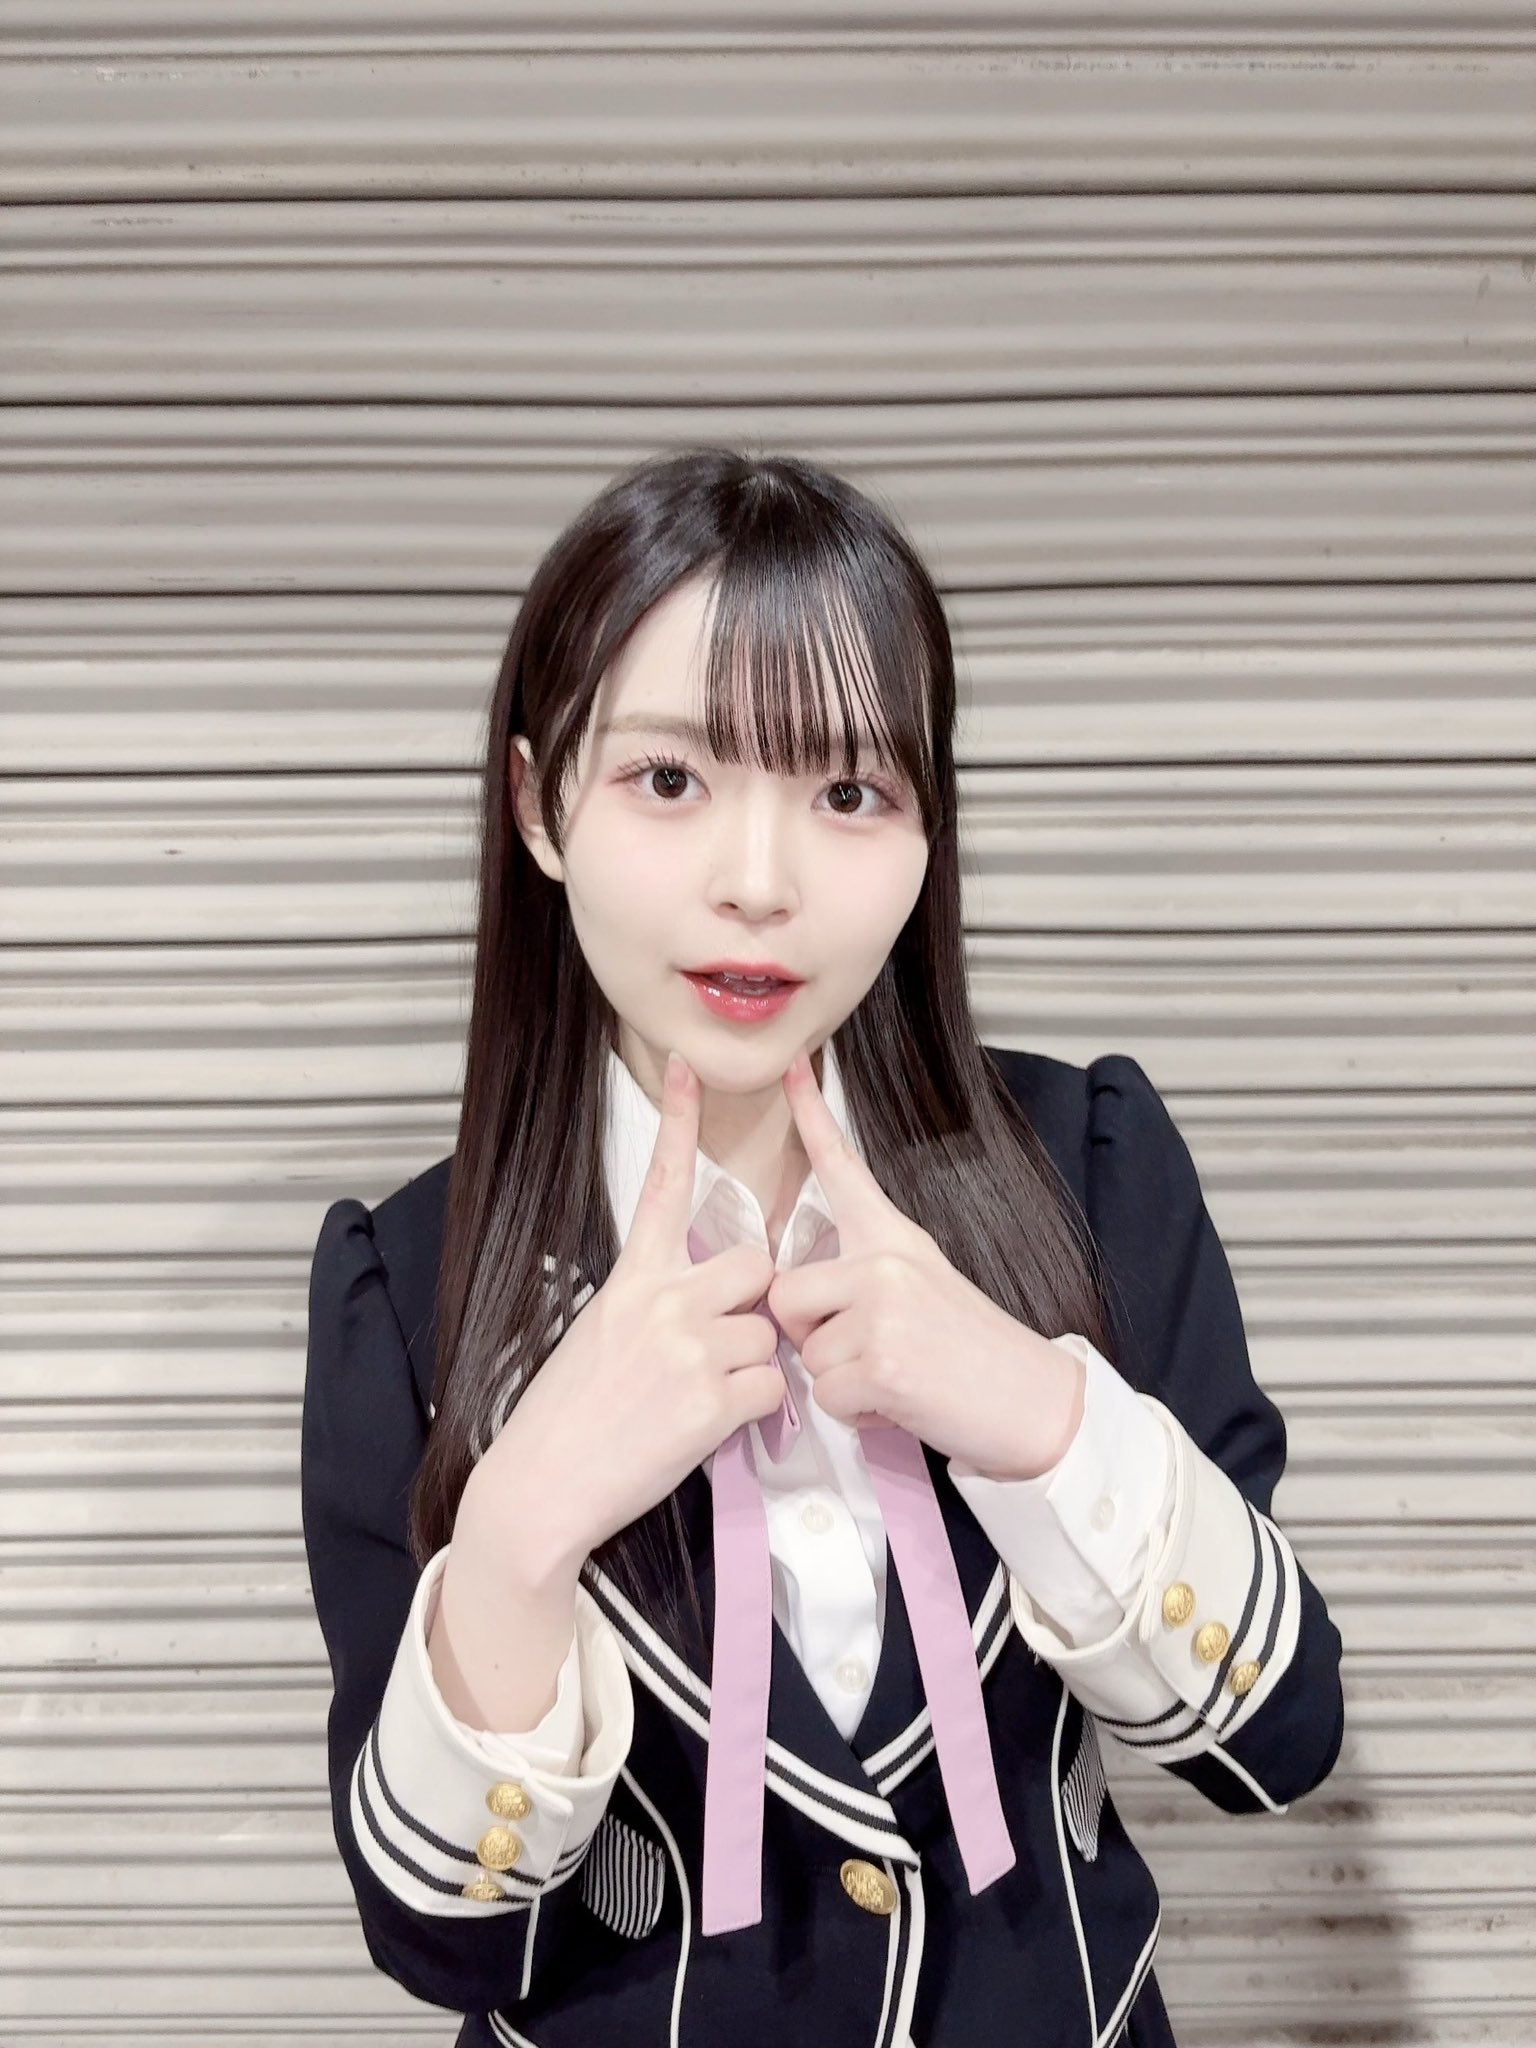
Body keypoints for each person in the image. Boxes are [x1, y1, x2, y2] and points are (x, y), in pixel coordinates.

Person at [301, 447, 1345, 2048]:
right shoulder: (412, 1287)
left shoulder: (1089, 1164)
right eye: (670, 780)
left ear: (930, 832)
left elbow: (1275, 1743)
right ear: (539, 806)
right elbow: (445, 1939)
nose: (759, 884)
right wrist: (515, 1533)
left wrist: (1038, 1415)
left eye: (849, 792)